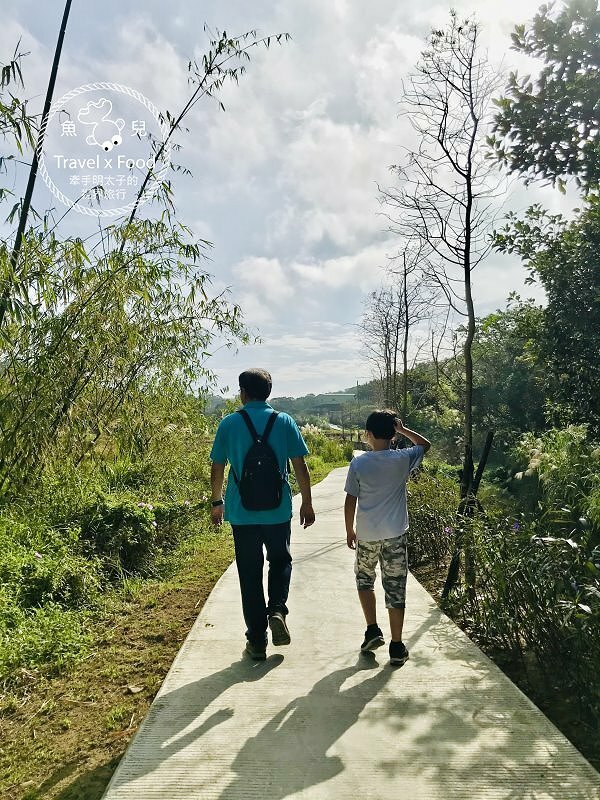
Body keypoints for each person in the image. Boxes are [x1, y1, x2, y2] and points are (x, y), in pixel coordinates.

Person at [210, 368, 315, 660]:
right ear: (268, 391)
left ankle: (256, 641)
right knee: (280, 560)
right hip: (277, 510)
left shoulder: (229, 423)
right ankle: (278, 610)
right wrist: (307, 502)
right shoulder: (284, 421)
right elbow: (300, 466)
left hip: (242, 512)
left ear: (243, 392)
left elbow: (217, 467)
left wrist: (216, 502)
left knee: (249, 573)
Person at [344, 410, 430, 666]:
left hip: (367, 535)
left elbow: (351, 499)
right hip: (395, 535)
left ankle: (372, 630)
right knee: (395, 587)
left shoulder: (359, 463)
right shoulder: (403, 458)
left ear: (368, 435)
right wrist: (403, 430)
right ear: (392, 434)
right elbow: (425, 445)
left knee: (364, 580)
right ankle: (396, 645)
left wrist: (350, 530)